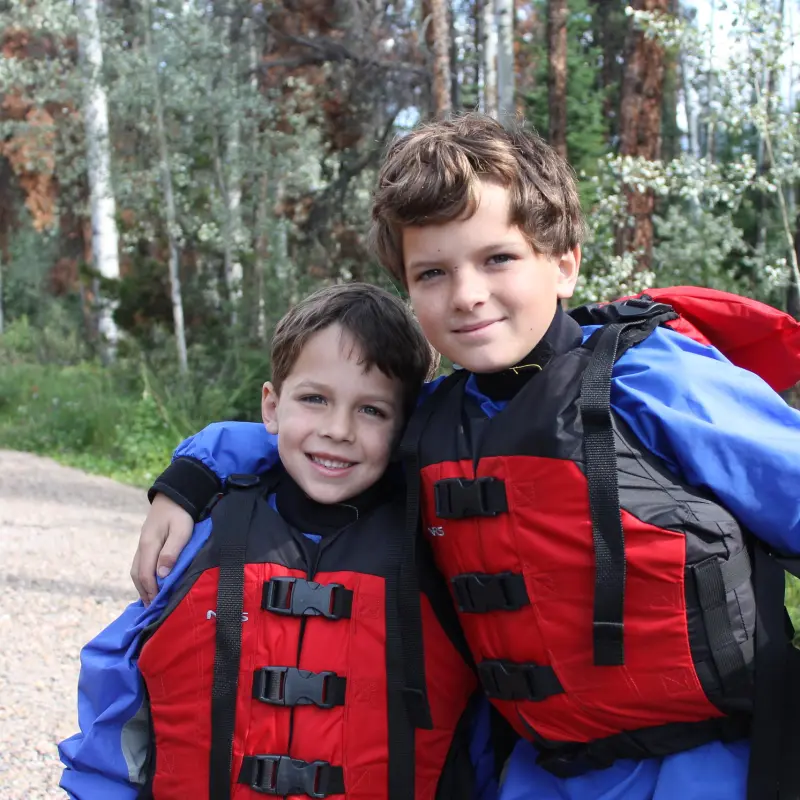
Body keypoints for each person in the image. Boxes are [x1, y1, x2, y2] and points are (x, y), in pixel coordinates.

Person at [130, 113, 800, 800]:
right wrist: (194, 469)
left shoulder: (658, 380)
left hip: (715, 763)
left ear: (564, 262)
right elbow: (323, 440)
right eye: (432, 273)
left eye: (498, 259)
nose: (467, 294)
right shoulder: (433, 424)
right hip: (546, 771)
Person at [59, 283, 506, 800]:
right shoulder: (204, 529)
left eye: (372, 411)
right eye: (315, 399)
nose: (338, 429)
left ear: (406, 427)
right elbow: (119, 694)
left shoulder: (441, 543)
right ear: (271, 406)